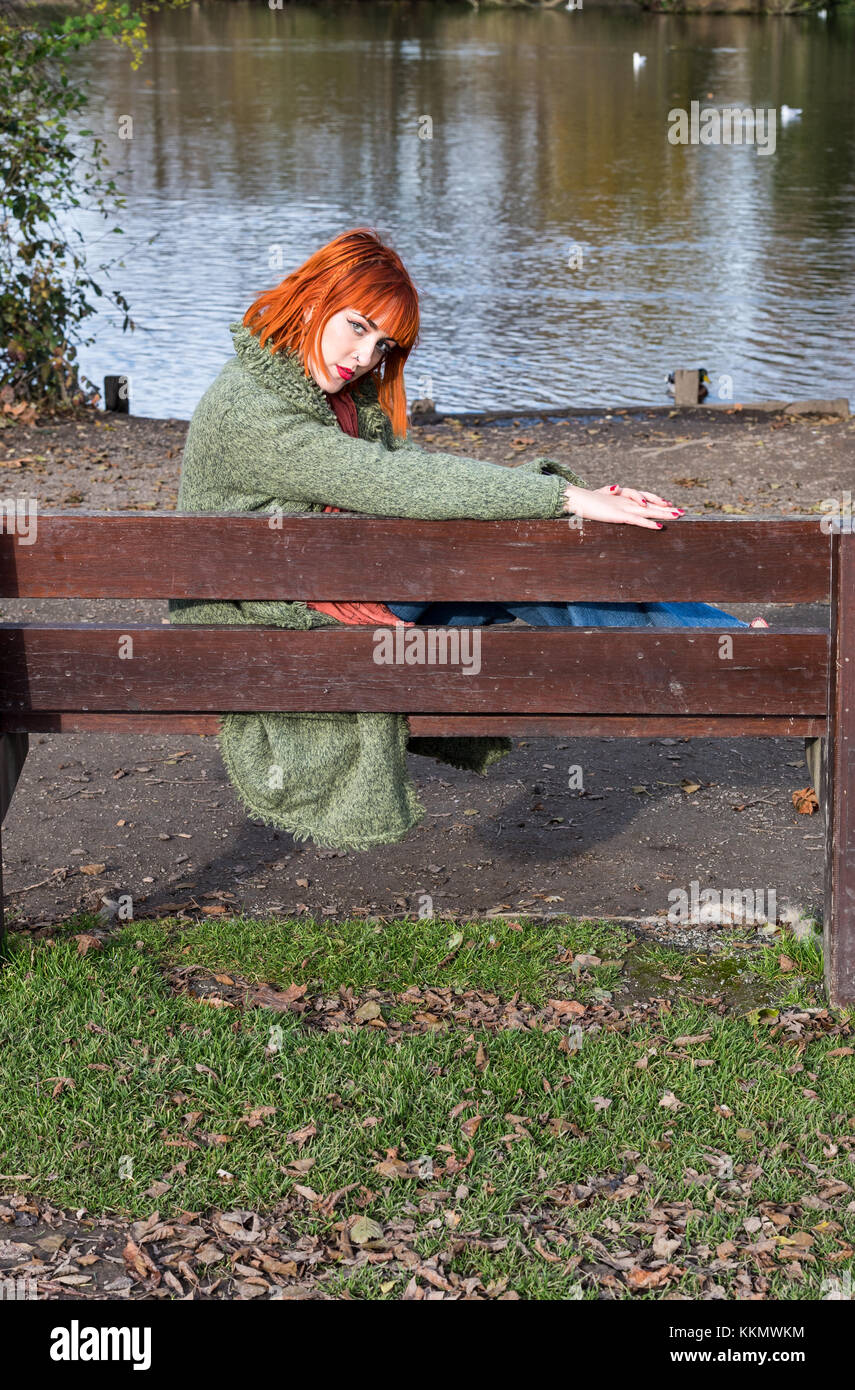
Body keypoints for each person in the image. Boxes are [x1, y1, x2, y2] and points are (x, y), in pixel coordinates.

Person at [169, 227, 816, 852]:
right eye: (358, 326)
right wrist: (562, 496)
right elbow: (395, 481)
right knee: (523, 558)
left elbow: (412, 482)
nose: (367, 357)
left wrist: (565, 505)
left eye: (383, 344)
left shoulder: (329, 394)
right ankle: (733, 655)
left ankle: (731, 650)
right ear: (311, 296)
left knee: (535, 564)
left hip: (341, 591)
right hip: (278, 623)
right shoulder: (253, 406)